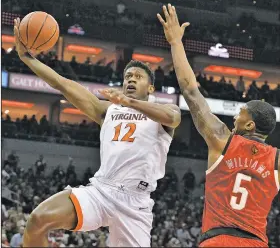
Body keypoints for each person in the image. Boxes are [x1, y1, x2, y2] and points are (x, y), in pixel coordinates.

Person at [13, 18, 181, 247]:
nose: (131, 79)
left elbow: (173, 118)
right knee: (38, 220)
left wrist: (131, 103)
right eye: (127, 77)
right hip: (101, 190)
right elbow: (63, 84)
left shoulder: (163, 111)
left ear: (150, 88)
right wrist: (27, 59)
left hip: (134, 203)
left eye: (137, 77)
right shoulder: (108, 110)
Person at [158, 4, 279, 247]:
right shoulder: (277, 161)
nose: (235, 117)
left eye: (240, 114)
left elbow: (191, 91)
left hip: (218, 240)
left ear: (250, 124)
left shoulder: (223, 140)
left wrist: (175, 44)